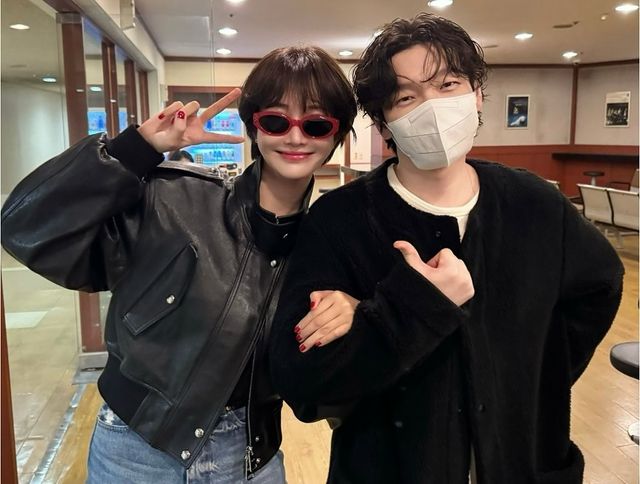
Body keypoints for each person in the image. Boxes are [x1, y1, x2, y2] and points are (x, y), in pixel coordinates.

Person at [269, 13, 624, 484]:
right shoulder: (340, 220)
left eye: (448, 84)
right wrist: (405, 309)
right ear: (384, 124)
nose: (432, 107)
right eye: (406, 97)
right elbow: (300, 380)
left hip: (524, 463)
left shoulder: (535, 204)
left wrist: (530, 379)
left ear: (477, 96)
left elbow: (599, 288)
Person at [1, 45, 356, 483]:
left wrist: (354, 313)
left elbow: (326, 384)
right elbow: (25, 227)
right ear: (254, 127)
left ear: (336, 136)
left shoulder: (332, 244)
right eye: (277, 121)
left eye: (316, 124)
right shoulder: (172, 198)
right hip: (136, 452)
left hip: (251, 456)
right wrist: (135, 150)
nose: (296, 138)